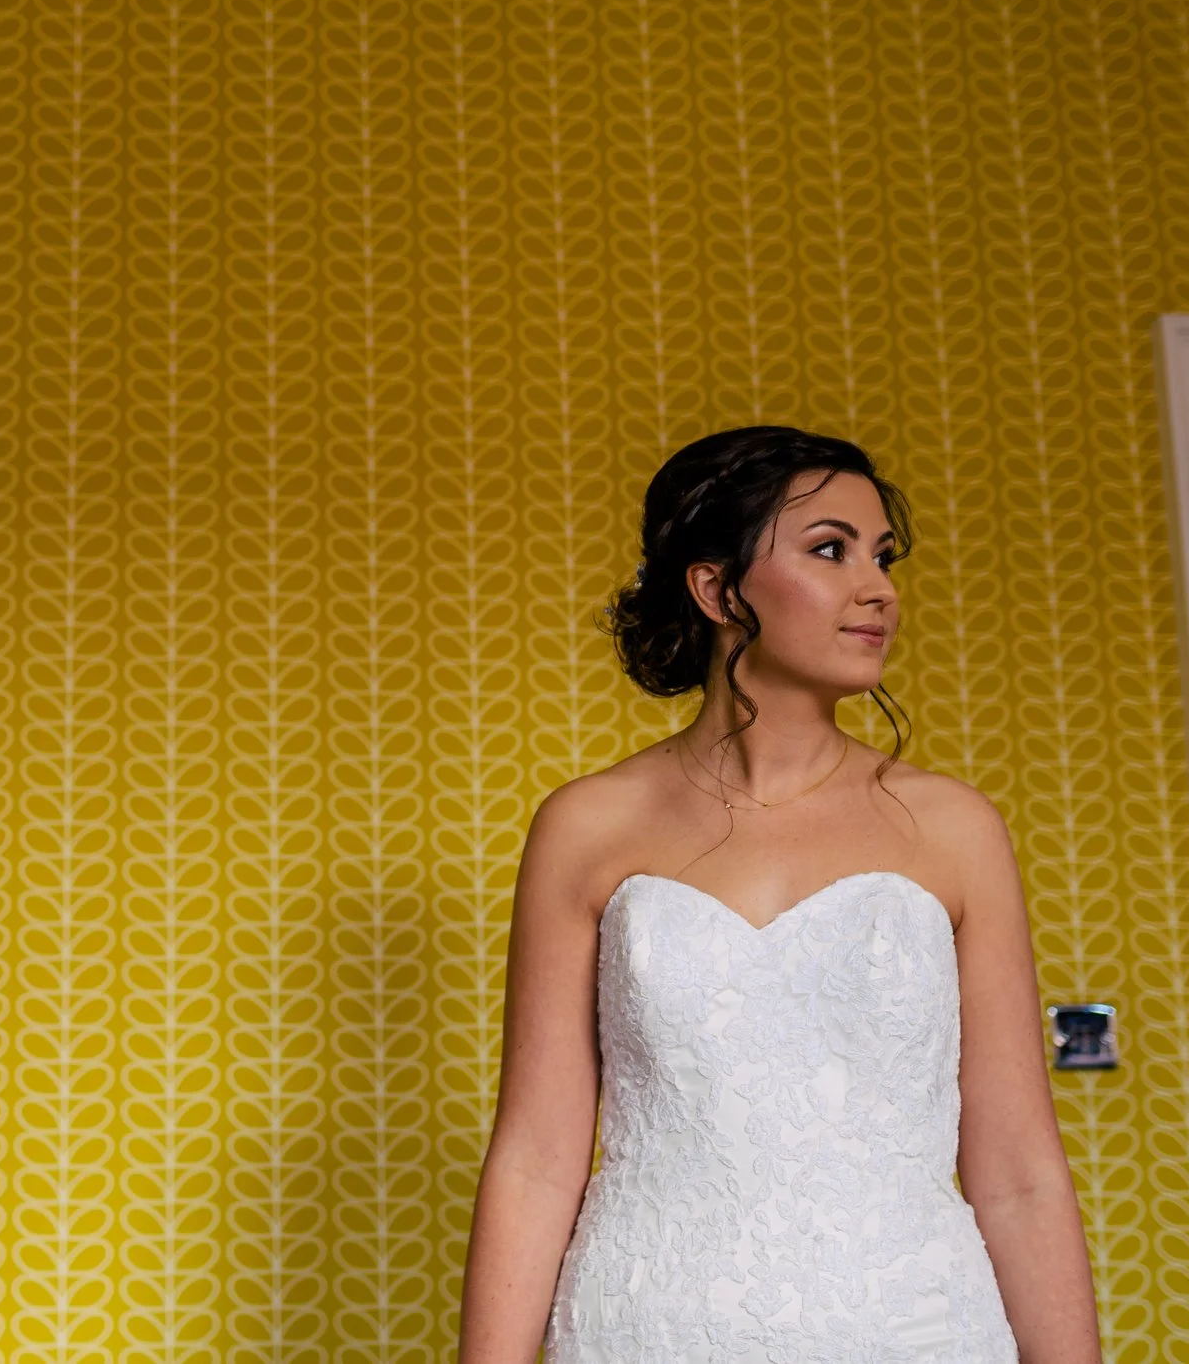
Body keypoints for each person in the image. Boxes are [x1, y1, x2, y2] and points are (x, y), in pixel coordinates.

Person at [457, 426, 1102, 1363]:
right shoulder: (585, 827)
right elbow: (535, 1161)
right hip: (643, 1326)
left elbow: (1019, 1173)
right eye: (829, 549)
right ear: (718, 589)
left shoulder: (956, 828)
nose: (877, 587)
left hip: (914, 1329)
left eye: (882, 556)